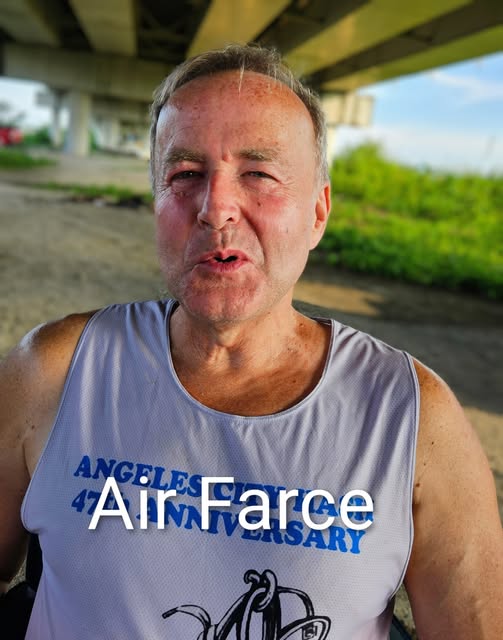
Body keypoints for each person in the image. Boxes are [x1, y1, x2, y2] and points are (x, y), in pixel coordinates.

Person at [0, 44, 502, 639]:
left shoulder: (413, 417)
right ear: (156, 203)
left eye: (259, 174)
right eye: (185, 175)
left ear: (318, 213)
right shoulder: (52, 372)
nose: (216, 209)